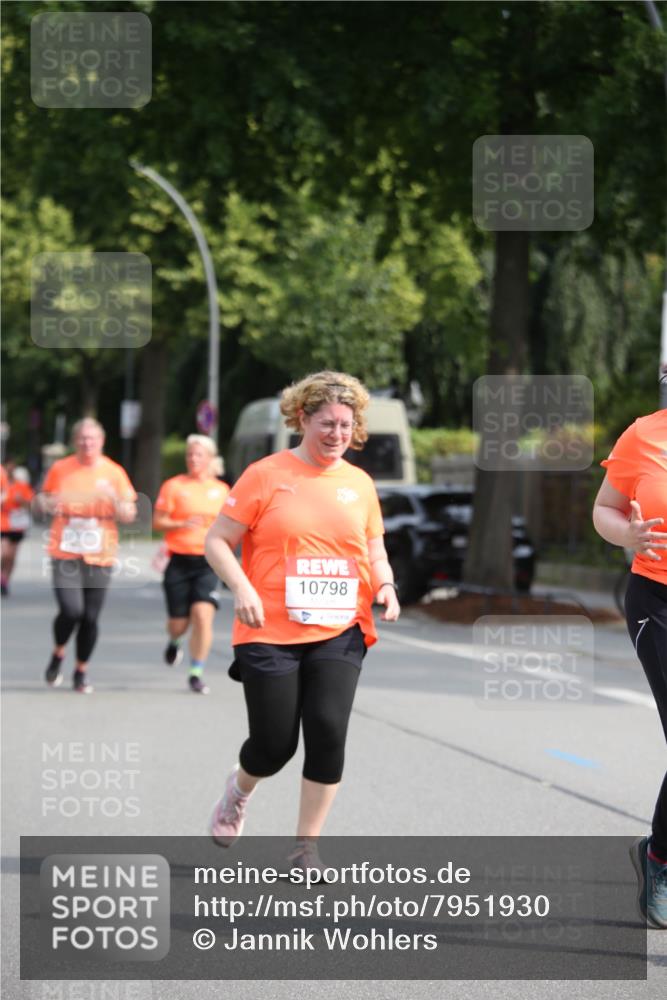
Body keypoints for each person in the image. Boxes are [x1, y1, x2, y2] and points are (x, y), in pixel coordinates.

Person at [204, 371, 400, 869]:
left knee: (329, 728)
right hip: (267, 628)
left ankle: (305, 847)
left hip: (340, 628)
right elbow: (217, 542)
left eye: (346, 425)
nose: (337, 434)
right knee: (273, 746)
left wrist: (386, 585)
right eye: (327, 423)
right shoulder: (265, 475)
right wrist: (242, 587)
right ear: (302, 419)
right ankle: (239, 789)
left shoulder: (359, 484)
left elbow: (373, 546)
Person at [592, 406, 667, 928]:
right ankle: (661, 863)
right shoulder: (645, 433)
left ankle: (656, 852)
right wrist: (628, 536)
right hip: (659, 598)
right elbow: (605, 509)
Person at [40, 418, 137, 694]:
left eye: (92, 438)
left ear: (102, 441)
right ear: (75, 441)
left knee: (90, 617)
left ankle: (81, 670)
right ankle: (59, 652)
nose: (87, 443)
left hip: (100, 552)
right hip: (65, 549)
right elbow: (44, 501)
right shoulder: (61, 469)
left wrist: (113, 498)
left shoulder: (114, 472)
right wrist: (50, 502)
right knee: (71, 610)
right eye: (82, 438)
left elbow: (129, 514)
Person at [153, 435, 229, 694]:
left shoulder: (222, 490)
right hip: (179, 560)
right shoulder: (174, 486)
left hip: (208, 562)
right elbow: (158, 522)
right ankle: (175, 640)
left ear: (210, 459)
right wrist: (180, 524)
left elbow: (231, 524)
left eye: (198, 455)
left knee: (202, 615)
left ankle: (196, 672)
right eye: (190, 455)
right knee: (179, 622)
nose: (193, 459)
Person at [1, 460, 35, 596]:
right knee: (3, 553)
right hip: (2, 524)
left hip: (17, 525)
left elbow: (31, 505)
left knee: (11, 556)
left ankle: (5, 581)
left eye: (12, 467)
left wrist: (21, 501)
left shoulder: (22, 486)